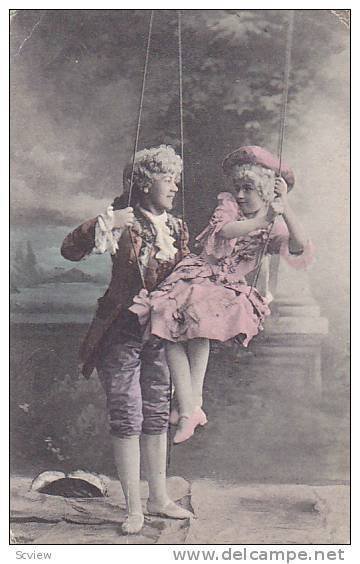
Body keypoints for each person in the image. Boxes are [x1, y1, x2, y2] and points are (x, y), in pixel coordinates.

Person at [130, 145, 314, 444]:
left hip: (226, 287)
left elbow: (299, 245)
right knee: (166, 321)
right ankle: (190, 405)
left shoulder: (274, 225)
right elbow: (224, 232)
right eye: (238, 187)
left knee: (197, 325)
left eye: (249, 188)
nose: (240, 194)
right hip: (199, 274)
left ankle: (190, 407)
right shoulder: (230, 206)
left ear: (267, 192)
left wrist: (285, 207)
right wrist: (262, 218)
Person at [61, 145, 193, 535]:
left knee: (155, 412)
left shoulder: (178, 227)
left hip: (159, 335)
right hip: (118, 334)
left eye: (175, 178)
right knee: (127, 416)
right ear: (144, 181)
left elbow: (185, 275)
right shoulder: (122, 221)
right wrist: (104, 221)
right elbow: (69, 250)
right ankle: (133, 508)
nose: (175, 185)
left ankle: (159, 499)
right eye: (167, 178)